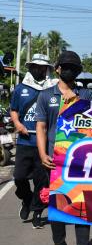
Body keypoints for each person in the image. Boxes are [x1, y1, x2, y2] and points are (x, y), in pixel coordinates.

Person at [36, 50, 92, 245]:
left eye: (74, 68)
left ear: (78, 72)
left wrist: (77, 102)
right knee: (57, 207)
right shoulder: (45, 96)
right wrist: (43, 154)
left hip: (80, 163)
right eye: (66, 66)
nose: (69, 70)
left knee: (81, 208)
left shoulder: (87, 96)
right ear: (58, 69)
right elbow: (41, 127)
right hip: (54, 162)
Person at [10, 54, 55, 228]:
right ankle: (26, 198)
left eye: (43, 67)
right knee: (19, 177)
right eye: (36, 66)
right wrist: (17, 123)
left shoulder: (52, 89)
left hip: (43, 144)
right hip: (24, 141)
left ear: (47, 69)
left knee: (41, 181)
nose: (39, 70)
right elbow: (14, 110)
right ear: (30, 68)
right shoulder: (21, 89)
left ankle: (37, 212)